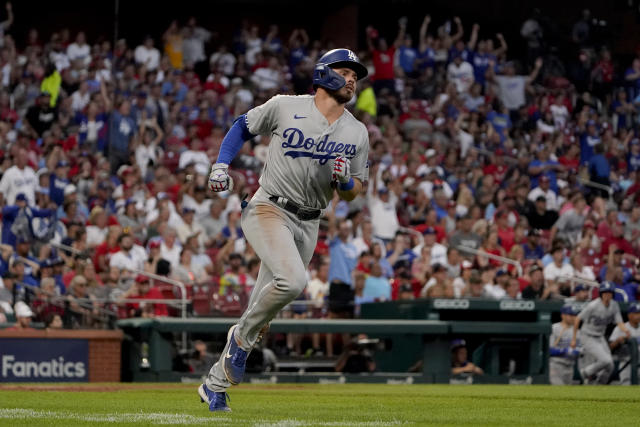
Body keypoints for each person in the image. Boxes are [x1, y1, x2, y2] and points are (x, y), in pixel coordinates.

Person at [199, 48, 369, 411]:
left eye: (356, 74)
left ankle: (214, 386)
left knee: (263, 306)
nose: (352, 78)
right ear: (325, 73)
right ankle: (240, 341)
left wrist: (344, 182)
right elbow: (242, 126)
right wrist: (220, 165)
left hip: (310, 223)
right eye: (345, 70)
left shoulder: (357, 131)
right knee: (292, 283)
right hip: (269, 207)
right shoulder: (285, 105)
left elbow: (356, 192)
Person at [571, 281, 631, 384]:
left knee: (610, 365)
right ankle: (585, 373)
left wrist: (625, 330)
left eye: (610, 293)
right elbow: (577, 319)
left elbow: (619, 322)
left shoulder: (614, 305)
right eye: (605, 293)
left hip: (600, 337)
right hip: (587, 335)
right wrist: (574, 339)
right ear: (601, 294)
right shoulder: (593, 305)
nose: (607, 295)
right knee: (605, 360)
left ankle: (600, 385)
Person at [609, 302, 640, 385]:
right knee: (627, 388)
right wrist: (618, 341)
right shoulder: (621, 328)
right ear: (629, 315)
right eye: (636, 313)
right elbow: (610, 347)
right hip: (626, 363)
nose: (639, 315)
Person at [549, 305, 581, 385]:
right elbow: (549, 350)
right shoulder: (555, 328)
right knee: (558, 391)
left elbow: (581, 349)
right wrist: (564, 351)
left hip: (570, 366)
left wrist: (577, 351)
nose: (573, 317)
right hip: (556, 365)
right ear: (562, 315)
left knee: (566, 393)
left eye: (574, 315)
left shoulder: (577, 331)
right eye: (570, 315)